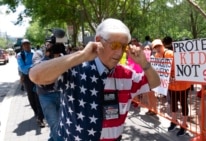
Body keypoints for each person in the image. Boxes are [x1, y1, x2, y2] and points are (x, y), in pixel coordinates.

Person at [29, 18, 160, 141]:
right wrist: (81, 55)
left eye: (124, 46)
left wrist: (144, 63)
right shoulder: (75, 67)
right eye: (114, 45)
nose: (119, 53)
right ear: (98, 40)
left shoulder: (126, 74)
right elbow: (35, 76)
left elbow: (155, 83)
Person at [32, 34, 66, 141]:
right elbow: (37, 71)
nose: (53, 47)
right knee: (55, 125)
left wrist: (62, 56)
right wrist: (48, 56)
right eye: (51, 44)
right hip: (46, 96)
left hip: (61, 93)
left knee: (62, 124)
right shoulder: (38, 54)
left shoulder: (61, 55)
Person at [16, 39, 45, 127]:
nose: (26, 46)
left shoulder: (36, 53)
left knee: (38, 95)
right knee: (31, 97)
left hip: (37, 76)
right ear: (22, 46)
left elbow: (42, 63)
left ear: (30, 44)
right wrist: (34, 66)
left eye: (27, 44)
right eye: (24, 45)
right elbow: (23, 68)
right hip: (27, 78)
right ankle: (36, 113)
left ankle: (40, 117)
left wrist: (32, 67)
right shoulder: (20, 55)